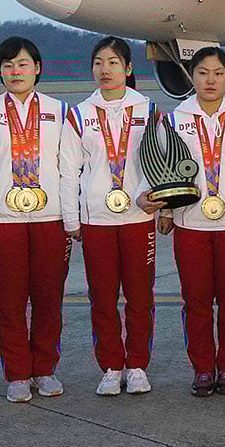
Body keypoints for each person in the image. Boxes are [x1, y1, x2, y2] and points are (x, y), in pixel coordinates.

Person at [0, 37, 71, 403]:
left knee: (48, 298)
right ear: (0, 72)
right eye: (7, 66)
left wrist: (71, 218)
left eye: (22, 64)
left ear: (38, 68)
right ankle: (17, 373)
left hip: (50, 218)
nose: (15, 72)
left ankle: (44, 368)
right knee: (8, 300)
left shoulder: (60, 111)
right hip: (3, 221)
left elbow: (70, 169)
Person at [60, 37, 158, 396]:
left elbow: (156, 161)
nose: (105, 69)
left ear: (128, 69)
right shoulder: (80, 114)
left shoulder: (147, 110)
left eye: (114, 62)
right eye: (99, 62)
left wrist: (153, 196)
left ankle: (136, 365)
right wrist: (72, 218)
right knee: (102, 297)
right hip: (96, 218)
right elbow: (69, 170)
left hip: (137, 216)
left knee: (139, 297)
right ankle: (111, 365)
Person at [163, 47, 225, 397]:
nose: (210, 80)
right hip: (191, 227)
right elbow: (165, 171)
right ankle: (203, 368)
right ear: (192, 75)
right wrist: (168, 210)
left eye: (217, 73)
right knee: (197, 301)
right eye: (202, 73)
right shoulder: (175, 119)